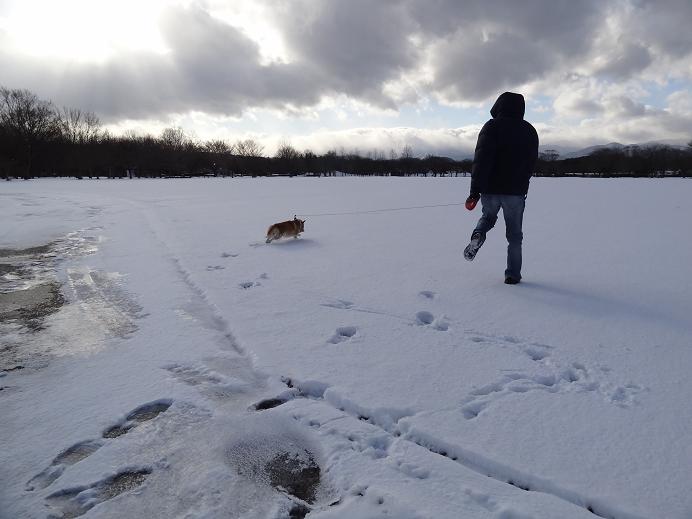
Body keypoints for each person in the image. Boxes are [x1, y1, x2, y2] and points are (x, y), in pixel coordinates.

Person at [463, 91, 539, 285]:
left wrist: (475, 190)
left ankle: (478, 235)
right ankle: (513, 274)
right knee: (514, 236)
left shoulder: (491, 127)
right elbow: (530, 164)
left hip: (490, 189)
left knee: (487, 217)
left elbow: (481, 160)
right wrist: (523, 185)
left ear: (499, 105)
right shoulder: (529, 130)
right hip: (515, 192)